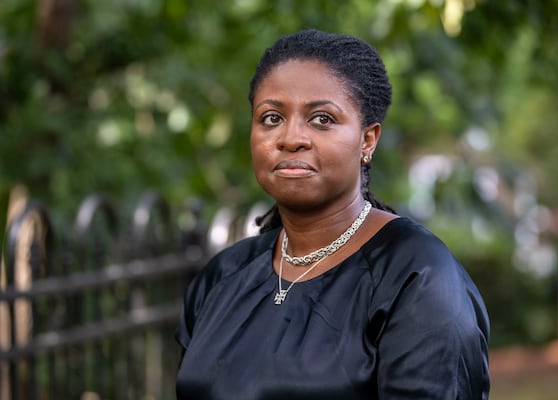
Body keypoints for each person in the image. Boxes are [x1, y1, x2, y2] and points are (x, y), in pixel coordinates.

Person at [175, 29, 490, 400]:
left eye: (322, 119)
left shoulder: (418, 279)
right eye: (272, 118)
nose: (291, 138)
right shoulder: (222, 278)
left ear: (367, 140)